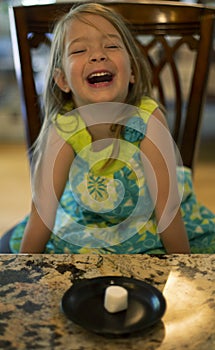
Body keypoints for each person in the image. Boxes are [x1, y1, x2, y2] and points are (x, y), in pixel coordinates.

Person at [1, 2, 215, 254]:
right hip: (87, 223)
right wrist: (26, 275)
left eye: (111, 46)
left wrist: (182, 272)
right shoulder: (65, 127)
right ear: (62, 80)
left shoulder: (147, 120)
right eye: (79, 50)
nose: (98, 55)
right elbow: (42, 213)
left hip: (151, 222)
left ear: (132, 70)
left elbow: (167, 210)